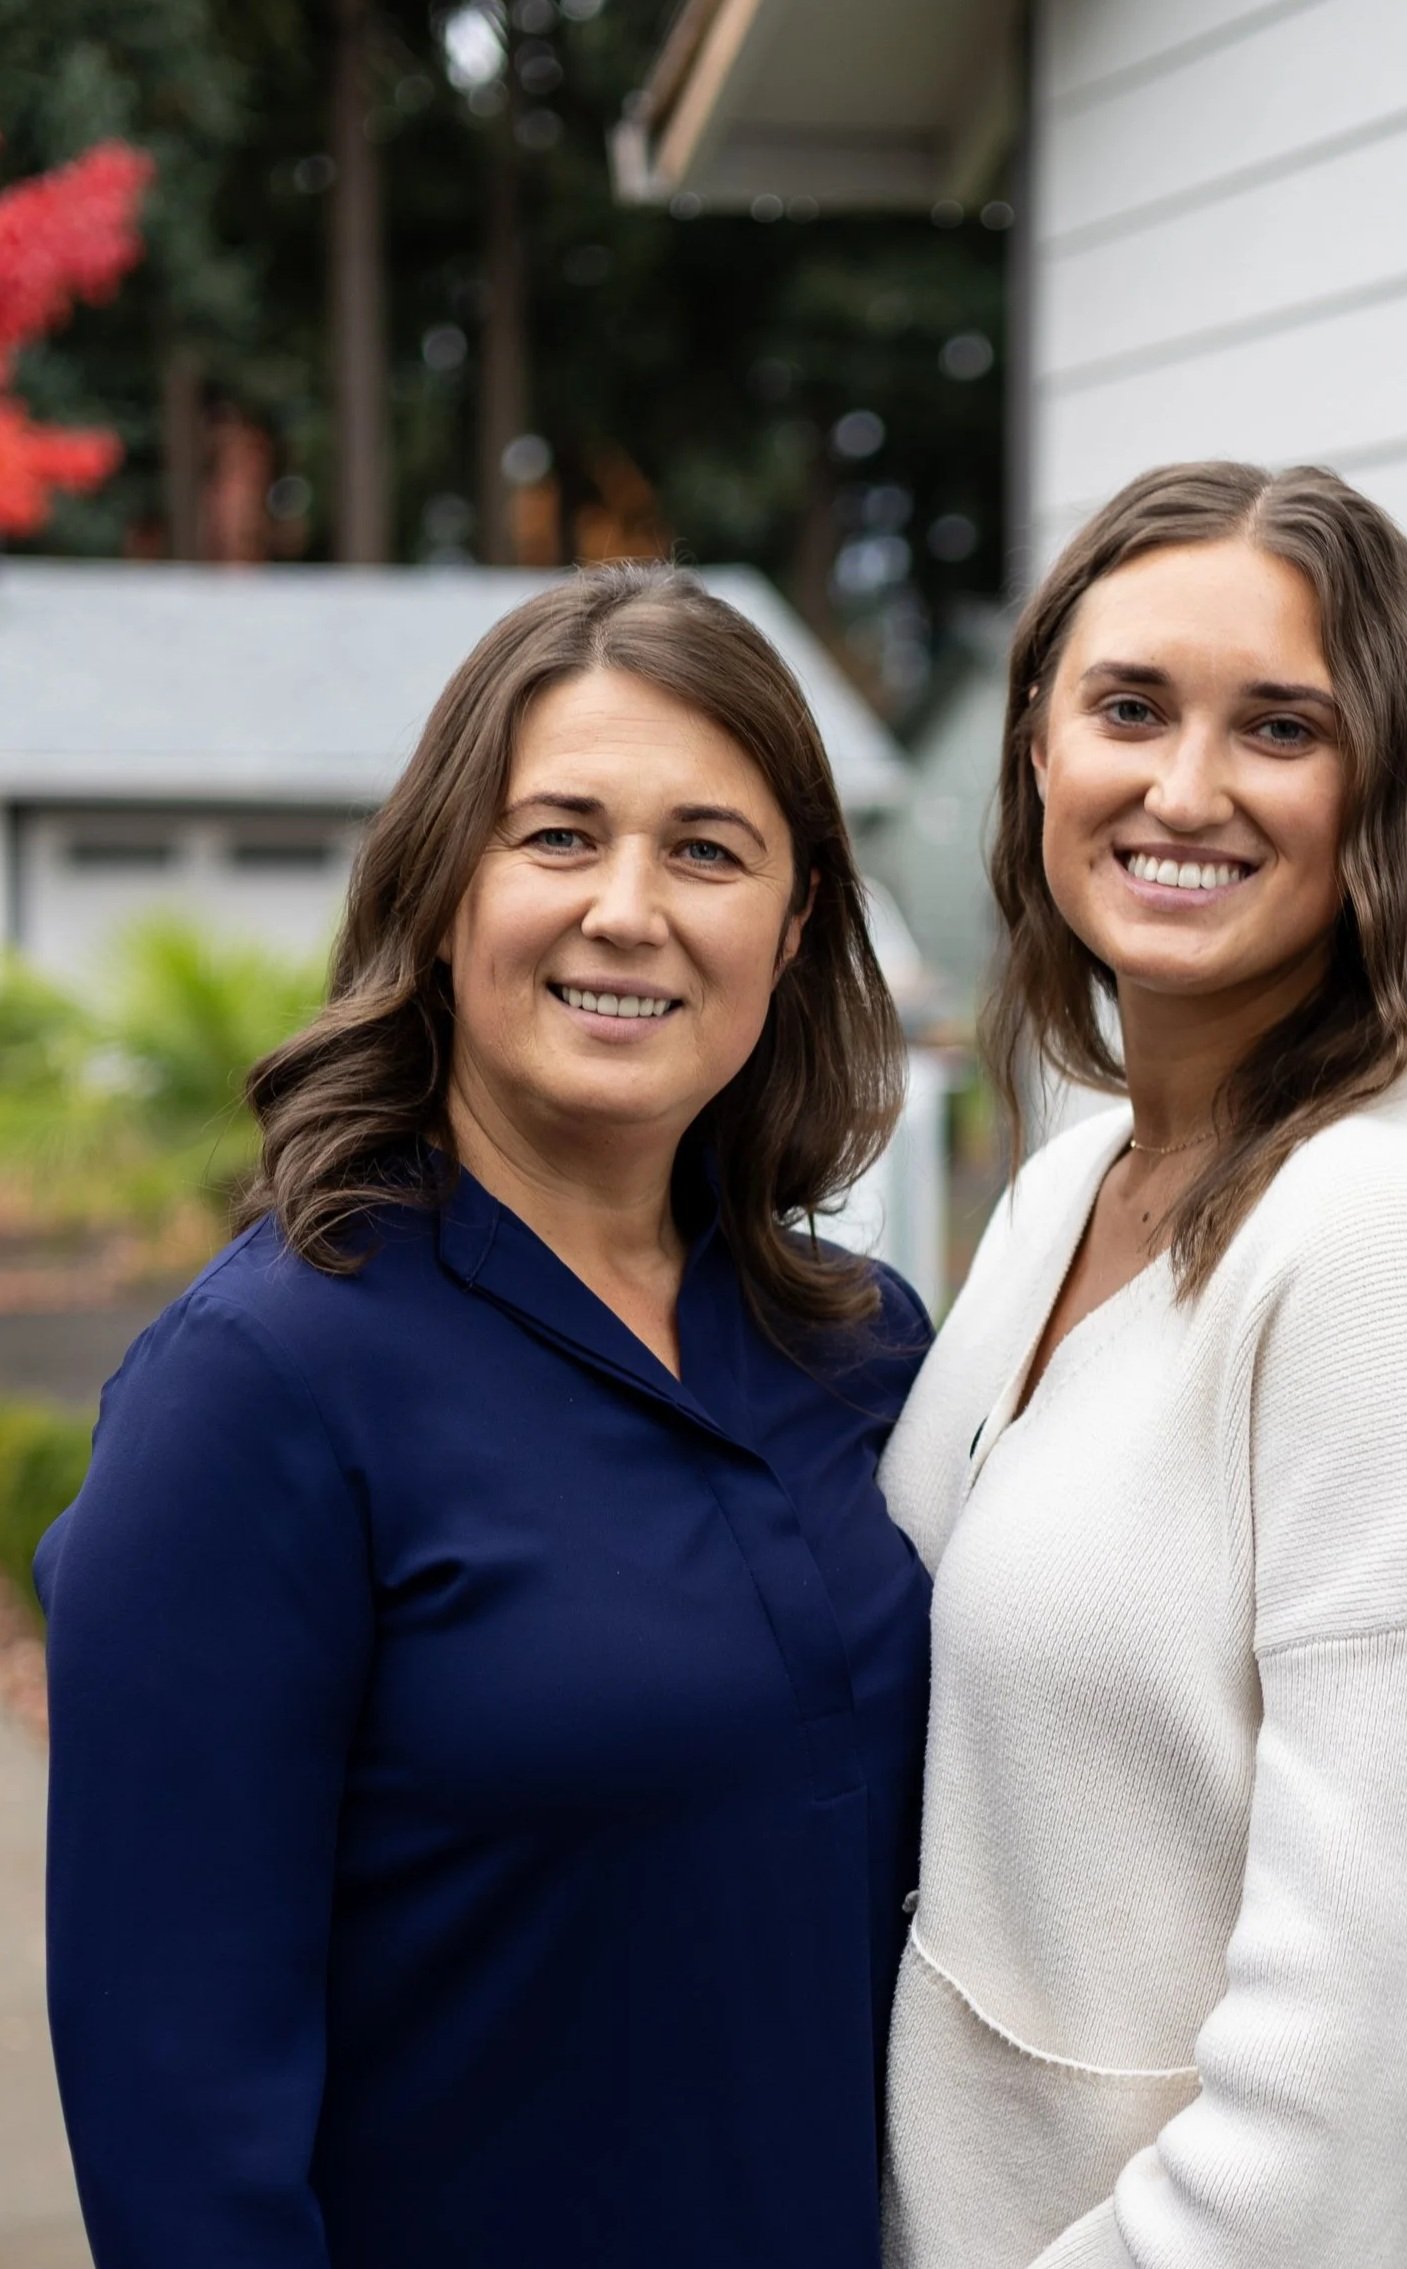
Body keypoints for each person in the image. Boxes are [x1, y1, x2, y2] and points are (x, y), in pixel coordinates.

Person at [36, 563, 934, 2269]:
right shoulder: (263, 1392)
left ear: (797, 922)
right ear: (446, 884)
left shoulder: (865, 1355)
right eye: (559, 834)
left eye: (707, 849)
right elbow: (180, 2129)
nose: (627, 907)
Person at [879, 463, 1407, 2269]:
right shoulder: (1072, 1183)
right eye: (1128, 708)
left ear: (1383, 789)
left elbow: (1400, 2059)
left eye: (1278, 727)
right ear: (1037, 754)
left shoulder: (1397, 1234)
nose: (1182, 788)